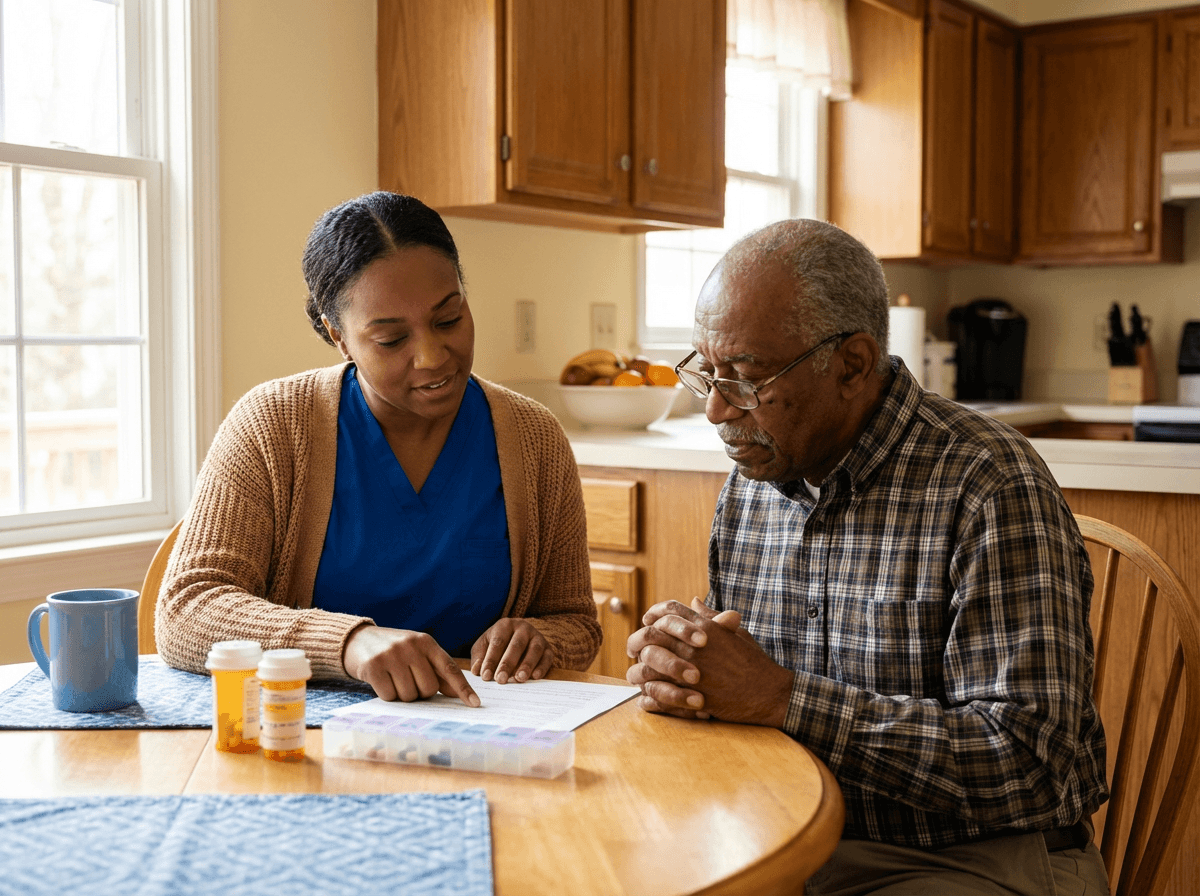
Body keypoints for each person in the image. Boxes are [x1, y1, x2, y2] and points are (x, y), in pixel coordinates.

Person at [625, 219, 1110, 895]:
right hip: (787, 833)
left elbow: (1033, 765)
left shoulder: (988, 483)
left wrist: (783, 699)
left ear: (851, 365)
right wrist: (688, 671)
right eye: (708, 370)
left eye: (745, 377)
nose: (714, 409)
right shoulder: (755, 479)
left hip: (972, 861)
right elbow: (746, 696)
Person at [157, 191, 600, 706]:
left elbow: (576, 623)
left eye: (449, 319)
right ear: (338, 335)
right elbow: (187, 609)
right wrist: (349, 643)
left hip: (485, 733)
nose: (433, 357)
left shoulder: (534, 437)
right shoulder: (273, 425)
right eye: (391, 340)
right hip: (309, 741)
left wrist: (541, 641)